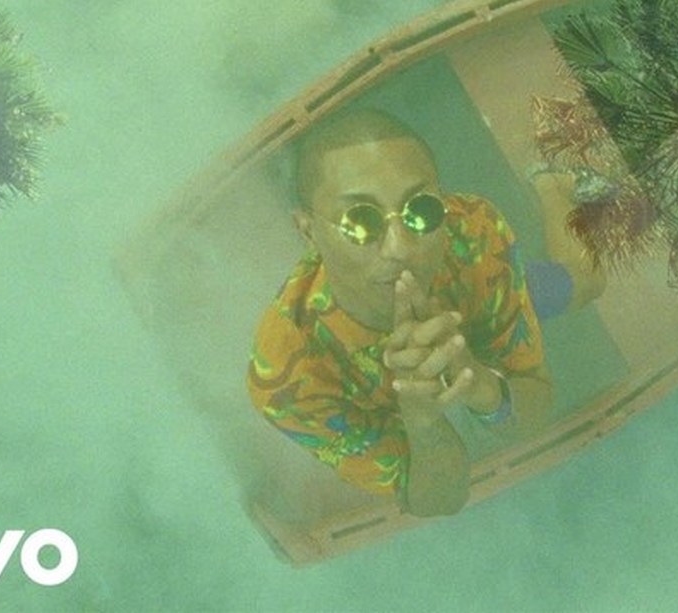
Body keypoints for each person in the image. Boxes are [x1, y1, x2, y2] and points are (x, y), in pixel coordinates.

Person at [246, 109, 599, 517]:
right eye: (359, 223)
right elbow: (442, 501)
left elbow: (536, 404)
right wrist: (421, 418)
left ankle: (551, 184)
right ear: (308, 230)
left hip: (473, 282)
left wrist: (478, 383)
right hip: (445, 316)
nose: (400, 248)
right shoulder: (286, 372)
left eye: (421, 211)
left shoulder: (472, 231)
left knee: (588, 282)